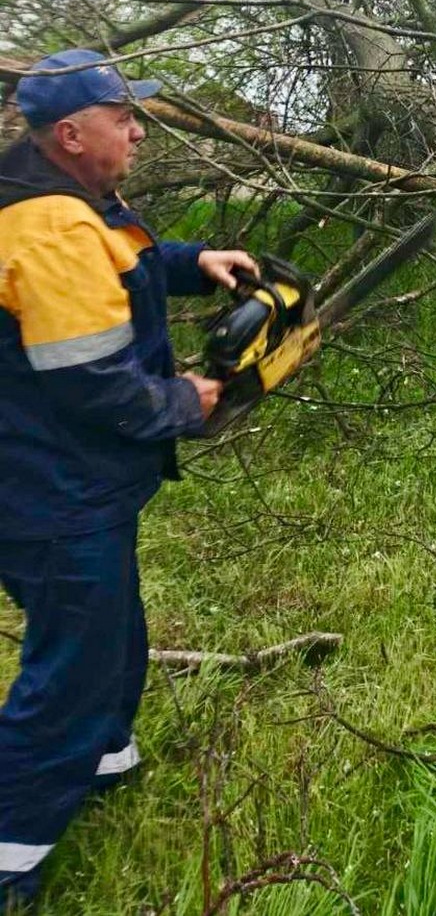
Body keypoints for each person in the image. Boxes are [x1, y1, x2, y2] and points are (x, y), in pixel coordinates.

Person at [0, 48, 256, 911]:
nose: (139, 130)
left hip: (73, 484)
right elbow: (92, 384)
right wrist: (183, 400)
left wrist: (195, 261)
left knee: (112, 626)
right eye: (123, 118)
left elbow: (127, 264)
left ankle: (104, 758)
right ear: (72, 134)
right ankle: (9, 850)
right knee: (70, 665)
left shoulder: (70, 198)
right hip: (47, 487)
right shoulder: (49, 227)